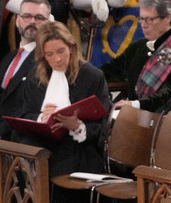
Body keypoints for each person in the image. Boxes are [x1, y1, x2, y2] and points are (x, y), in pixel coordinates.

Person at [18, 21, 111, 177]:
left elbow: (102, 126)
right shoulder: (35, 76)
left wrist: (76, 126)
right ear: (43, 56)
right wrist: (42, 117)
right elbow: (25, 114)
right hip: (42, 144)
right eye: (50, 54)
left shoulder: (92, 76)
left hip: (79, 148)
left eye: (61, 51)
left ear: (71, 47)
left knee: (61, 163)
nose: (58, 59)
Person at [102, 0, 171, 112]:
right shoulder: (138, 46)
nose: (143, 25)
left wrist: (136, 105)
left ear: (167, 17)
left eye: (149, 19)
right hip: (131, 118)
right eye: (141, 19)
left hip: (163, 122)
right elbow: (109, 71)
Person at [0, 0, 51, 139]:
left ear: (48, 24)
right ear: (17, 21)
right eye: (27, 16)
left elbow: (31, 108)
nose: (32, 21)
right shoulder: (10, 57)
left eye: (39, 18)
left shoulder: (47, 60)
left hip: (19, 138)